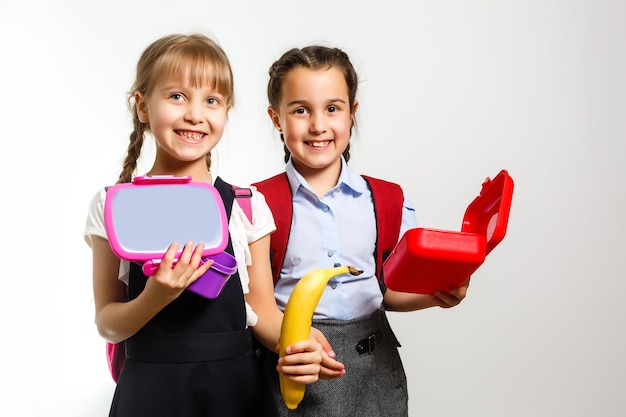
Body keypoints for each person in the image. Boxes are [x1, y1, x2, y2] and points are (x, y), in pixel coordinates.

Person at [83, 33, 323, 417]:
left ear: (226, 111)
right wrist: (154, 297)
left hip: (237, 394)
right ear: (143, 107)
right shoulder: (113, 206)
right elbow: (108, 323)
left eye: (211, 100)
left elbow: (260, 311)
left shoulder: (247, 206)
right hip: (149, 396)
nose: (195, 114)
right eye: (177, 96)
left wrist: (299, 345)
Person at [250, 45, 471, 416]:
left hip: (376, 372)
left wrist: (437, 294)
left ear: (352, 113)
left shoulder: (388, 199)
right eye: (300, 110)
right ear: (276, 118)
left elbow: (387, 291)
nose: (318, 125)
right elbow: (256, 306)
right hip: (292, 367)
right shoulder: (256, 203)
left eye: (332, 108)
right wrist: (290, 341)